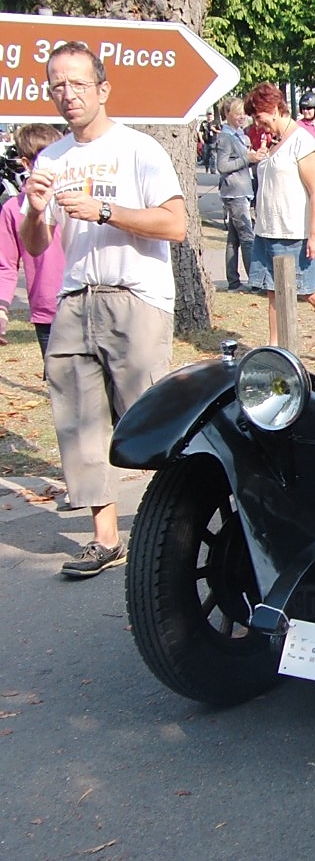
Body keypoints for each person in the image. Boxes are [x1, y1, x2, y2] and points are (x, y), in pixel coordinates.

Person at [20, 41, 187, 578]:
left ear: (103, 89)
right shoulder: (51, 158)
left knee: (151, 420)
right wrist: (36, 209)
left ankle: (179, 527)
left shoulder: (139, 150)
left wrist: (105, 210)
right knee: (76, 422)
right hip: (75, 299)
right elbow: (36, 244)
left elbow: (176, 225)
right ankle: (104, 537)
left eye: (77, 84)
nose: (66, 95)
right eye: (56, 86)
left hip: (135, 295)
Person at [243, 82, 315, 368]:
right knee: (272, 292)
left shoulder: (302, 142)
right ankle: (276, 348)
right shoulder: (274, 141)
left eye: (259, 116)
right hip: (268, 231)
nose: (258, 123)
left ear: (276, 108)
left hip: (294, 233)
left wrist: (314, 236)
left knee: (310, 291)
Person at [0, 123, 67, 357]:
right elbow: (6, 265)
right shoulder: (12, 209)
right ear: (27, 164)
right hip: (47, 312)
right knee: (59, 389)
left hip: (88, 306)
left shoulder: (78, 198)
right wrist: (2, 308)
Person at [214, 97, 255, 292]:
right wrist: (246, 159)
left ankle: (233, 281)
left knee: (234, 239)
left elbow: (243, 162)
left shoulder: (239, 135)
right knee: (247, 237)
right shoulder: (225, 137)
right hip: (235, 192)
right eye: (238, 113)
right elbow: (222, 166)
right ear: (227, 115)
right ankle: (254, 281)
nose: (242, 116)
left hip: (242, 190)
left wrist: (254, 158)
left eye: (244, 113)